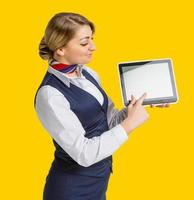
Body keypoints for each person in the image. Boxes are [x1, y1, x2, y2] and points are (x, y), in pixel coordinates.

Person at [34, 12, 169, 200]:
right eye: (84, 42)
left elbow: (109, 121)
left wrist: (137, 106)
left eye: (92, 39)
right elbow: (84, 153)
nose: (93, 47)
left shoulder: (88, 73)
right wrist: (129, 124)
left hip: (98, 184)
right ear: (60, 49)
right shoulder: (49, 95)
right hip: (70, 191)